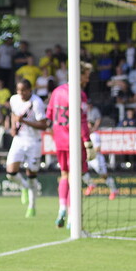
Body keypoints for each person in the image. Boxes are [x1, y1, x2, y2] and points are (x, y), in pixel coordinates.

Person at [46, 62, 95, 229]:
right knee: (76, 177)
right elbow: (82, 120)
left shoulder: (56, 91)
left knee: (65, 174)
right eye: (86, 75)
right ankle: (73, 217)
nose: (88, 79)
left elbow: (50, 115)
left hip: (59, 140)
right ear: (79, 75)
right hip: (74, 140)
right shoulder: (79, 94)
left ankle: (61, 210)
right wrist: (87, 141)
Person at [6, 78, 49, 218]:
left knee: (32, 175)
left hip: (33, 142)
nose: (21, 93)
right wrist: (13, 127)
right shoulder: (14, 99)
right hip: (19, 139)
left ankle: (32, 206)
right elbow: (13, 114)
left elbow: (44, 125)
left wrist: (24, 121)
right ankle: (23, 187)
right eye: (19, 90)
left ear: (30, 90)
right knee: (10, 173)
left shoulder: (37, 103)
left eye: (24, 90)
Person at [83, 101, 117, 200]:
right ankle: (91, 184)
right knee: (80, 171)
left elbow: (98, 148)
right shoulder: (84, 136)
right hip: (88, 158)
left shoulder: (94, 136)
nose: (87, 127)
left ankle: (114, 190)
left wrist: (88, 151)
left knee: (104, 176)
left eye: (89, 126)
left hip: (96, 159)